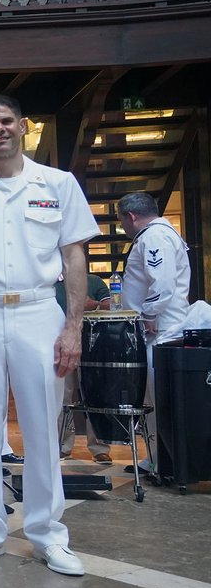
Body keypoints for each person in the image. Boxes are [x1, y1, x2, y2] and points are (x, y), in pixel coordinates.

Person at [0, 95, 99, 577]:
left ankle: (48, 534)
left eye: (7, 121)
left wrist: (72, 327)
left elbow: (74, 257)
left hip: (37, 310)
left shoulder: (58, 183)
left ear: (24, 126)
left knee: (42, 426)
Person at [117, 191, 191, 471]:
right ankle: (158, 458)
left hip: (161, 330)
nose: (123, 226)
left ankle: (164, 460)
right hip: (162, 328)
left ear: (131, 216)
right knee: (155, 396)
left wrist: (148, 313)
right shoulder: (160, 234)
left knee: (158, 397)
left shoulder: (154, 237)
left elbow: (162, 283)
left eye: (121, 220)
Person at [55, 273, 112, 463]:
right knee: (62, 397)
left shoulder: (94, 281)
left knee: (96, 397)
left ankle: (99, 448)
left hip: (93, 347)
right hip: (61, 346)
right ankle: (62, 445)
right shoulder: (52, 284)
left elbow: (113, 305)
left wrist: (93, 304)